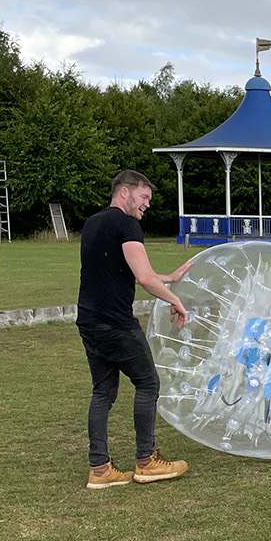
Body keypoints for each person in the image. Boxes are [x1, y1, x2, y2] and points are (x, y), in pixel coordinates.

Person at [77, 169, 193, 489]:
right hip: (115, 324)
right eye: (144, 198)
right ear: (125, 193)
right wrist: (175, 300)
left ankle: (99, 469)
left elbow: (124, 270)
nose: (147, 205)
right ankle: (146, 460)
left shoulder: (93, 223)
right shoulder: (127, 224)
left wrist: (167, 279)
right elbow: (143, 277)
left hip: (88, 321)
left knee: (103, 392)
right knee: (148, 383)